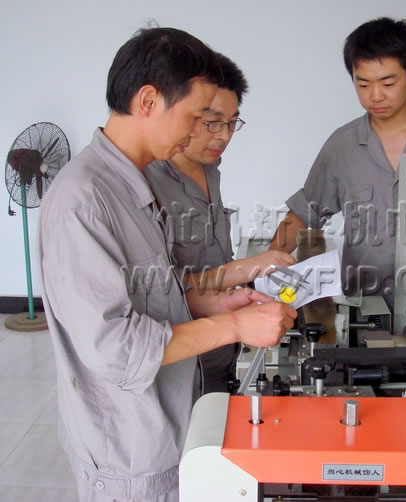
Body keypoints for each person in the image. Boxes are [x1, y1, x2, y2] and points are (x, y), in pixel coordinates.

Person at [38, 27, 296, 502]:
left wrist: (207, 303)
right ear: (148, 101)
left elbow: (151, 290)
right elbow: (115, 348)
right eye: (195, 116)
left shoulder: (129, 185)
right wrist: (236, 326)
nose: (197, 133)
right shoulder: (84, 199)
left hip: (171, 420)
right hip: (131, 453)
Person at [269, 17, 406, 309]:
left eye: (388, 83)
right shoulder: (343, 145)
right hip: (365, 306)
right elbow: (304, 213)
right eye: (363, 84)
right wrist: (263, 270)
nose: (375, 96)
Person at [144, 52, 295, 393]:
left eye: (231, 123)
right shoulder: (148, 184)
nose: (223, 136)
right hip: (181, 365)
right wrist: (246, 268)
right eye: (211, 122)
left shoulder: (210, 169)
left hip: (222, 355)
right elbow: (163, 291)